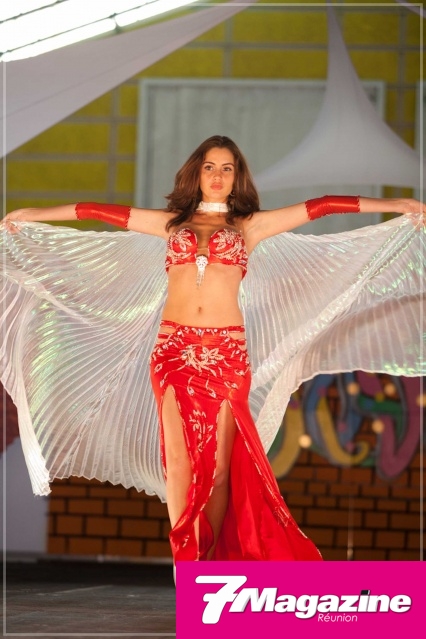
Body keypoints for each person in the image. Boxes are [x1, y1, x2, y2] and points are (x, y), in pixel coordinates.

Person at [2, 135, 424, 564]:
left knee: (220, 469)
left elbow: (324, 205)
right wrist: (31, 214)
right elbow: (93, 210)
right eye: (209, 167)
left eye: (227, 168)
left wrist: (398, 205)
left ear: (237, 176)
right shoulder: (170, 224)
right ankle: (185, 562)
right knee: (178, 463)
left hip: (226, 354)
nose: (218, 176)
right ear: (197, 173)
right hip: (172, 350)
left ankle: (210, 563)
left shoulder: (250, 226)